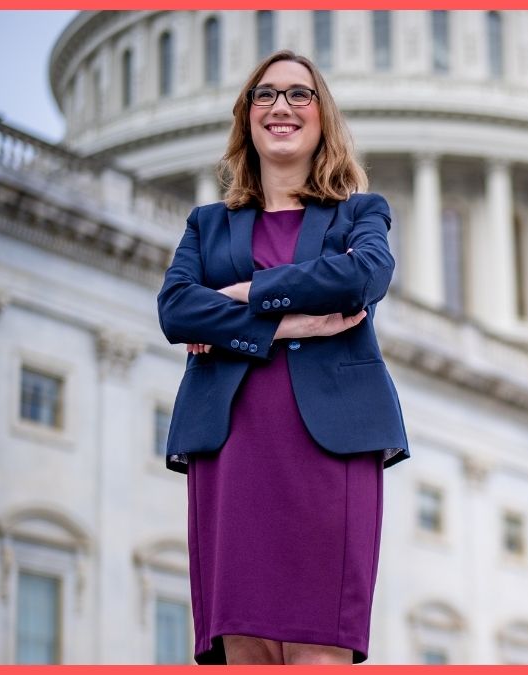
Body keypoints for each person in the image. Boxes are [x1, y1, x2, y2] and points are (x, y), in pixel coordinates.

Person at [157, 50, 408, 665]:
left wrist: (246, 294)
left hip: (330, 450)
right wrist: (283, 326)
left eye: (300, 94)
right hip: (232, 448)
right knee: (244, 649)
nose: (281, 107)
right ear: (247, 119)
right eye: (265, 95)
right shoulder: (207, 225)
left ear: (324, 118)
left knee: (321, 652)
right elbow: (176, 310)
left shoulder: (359, 214)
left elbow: (363, 278)